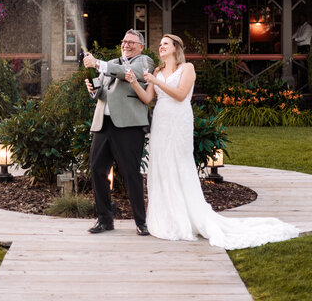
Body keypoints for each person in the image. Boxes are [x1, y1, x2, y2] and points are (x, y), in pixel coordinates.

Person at [125, 34, 299, 249]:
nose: (160, 47)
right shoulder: (157, 71)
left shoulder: (187, 68)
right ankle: (167, 217)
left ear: (175, 48)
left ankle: (188, 217)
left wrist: (154, 81)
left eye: (165, 44)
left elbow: (180, 95)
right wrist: (135, 82)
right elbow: (147, 99)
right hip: (160, 121)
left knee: (179, 164)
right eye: (159, 44)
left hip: (179, 120)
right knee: (162, 166)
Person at [84, 29, 154, 236]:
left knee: (131, 174)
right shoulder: (112, 63)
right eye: (124, 41)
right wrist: (93, 90)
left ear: (141, 46)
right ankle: (104, 220)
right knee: (97, 169)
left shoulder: (145, 62)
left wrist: (98, 64)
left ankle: (141, 222)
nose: (127, 45)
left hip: (129, 126)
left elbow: (126, 74)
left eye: (132, 42)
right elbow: (103, 92)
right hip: (103, 124)